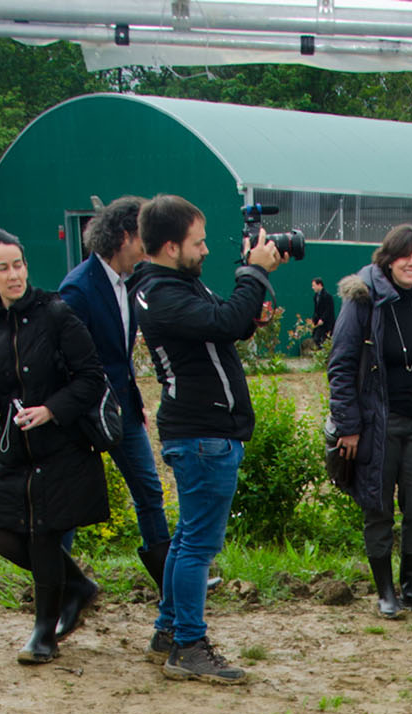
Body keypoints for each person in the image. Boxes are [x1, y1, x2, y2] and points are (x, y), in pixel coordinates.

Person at [130, 194, 283, 686]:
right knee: (198, 544)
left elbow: (232, 323)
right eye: (198, 242)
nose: (206, 251)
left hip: (201, 432)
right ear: (171, 246)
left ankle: (169, 631)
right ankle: (190, 646)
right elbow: (222, 321)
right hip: (203, 434)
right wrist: (253, 272)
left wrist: (254, 295)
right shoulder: (164, 291)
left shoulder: (175, 285)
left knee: (186, 539)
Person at [0, 227, 110, 668]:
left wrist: (51, 409)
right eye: (3, 268)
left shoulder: (56, 314)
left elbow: (91, 378)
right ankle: (78, 587)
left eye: (18, 265)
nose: (14, 275)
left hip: (60, 445)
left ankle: (43, 633)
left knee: (44, 534)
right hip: (15, 450)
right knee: (6, 538)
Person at [329, 225, 412, 618]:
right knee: (378, 508)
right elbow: (340, 365)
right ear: (388, 259)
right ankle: (385, 591)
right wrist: (348, 425)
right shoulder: (364, 299)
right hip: (377, 425)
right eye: (405, 255)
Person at [59, 195, 171, 637]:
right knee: (66, 504)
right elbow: (71, 359)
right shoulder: (79, 289)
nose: (149, 247)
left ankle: (169, 582)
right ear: (125, 236)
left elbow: (119, 353)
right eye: (144, 237)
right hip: (87, 414)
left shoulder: (128, 279)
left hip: (123, 407)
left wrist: (132, 394)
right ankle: (64, 590)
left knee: (148, 488)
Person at [310, 276, 336, 348]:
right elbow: (316, 310)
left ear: (319, 285)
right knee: (316, 339)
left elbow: (329, 310)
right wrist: (313, 320)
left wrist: (323, 319)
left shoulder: (327, 296)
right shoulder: (315, 296)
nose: (313, 288)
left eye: (314, 286)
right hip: (318, 323)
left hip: (327, 323)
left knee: (326, 340)